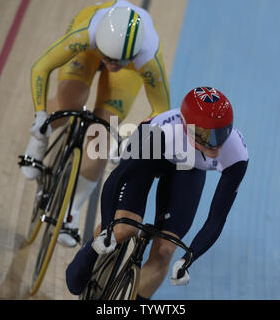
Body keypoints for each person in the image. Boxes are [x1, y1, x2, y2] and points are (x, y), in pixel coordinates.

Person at [65, 87, 249, 300]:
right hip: (150, 150)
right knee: (125, 227)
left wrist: (188, 259)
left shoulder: (237, 153)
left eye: (223, 133)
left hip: (188, 166)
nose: (217, 144)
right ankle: (90, 253)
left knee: (165, 250)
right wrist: (107, 227)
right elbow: (117, 179)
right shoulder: (162, 132)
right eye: (209, 136)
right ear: (187, 128)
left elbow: (217, 217)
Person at [20, 0, 170, 247]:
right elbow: (41, 67)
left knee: (101, 135)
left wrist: (133, 144)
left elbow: (161, 112)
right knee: (70, 102)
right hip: (89, 51)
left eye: (118, 61)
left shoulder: (149, 58)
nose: (111, 66)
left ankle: (71, 213)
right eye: (108, 59)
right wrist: (40, 114)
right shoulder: (86, 33)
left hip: (129, 71)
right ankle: (39, 139)